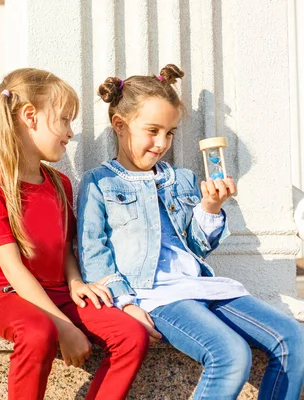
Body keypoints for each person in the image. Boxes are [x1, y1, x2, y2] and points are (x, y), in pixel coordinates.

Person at [77, 63, 304, 399]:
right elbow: (93, 253)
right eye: (152, 130)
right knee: (230, 354)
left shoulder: (180, 178)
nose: (161, 143)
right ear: (120, 125)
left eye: (169, 133)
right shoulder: (99, 183)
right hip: (156, 295)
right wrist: (125, 304)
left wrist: (210, 208)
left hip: (202, 285)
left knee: (294, 341)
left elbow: (197, 246)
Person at [0, 68, 149, 400]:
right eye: (63, 120)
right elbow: (13, 270)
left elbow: (64, 249)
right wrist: (64, 326)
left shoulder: (59, 185)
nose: (70, 132)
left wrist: (76, 282)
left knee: (131, 334)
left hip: (57, 291)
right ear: (30, 117)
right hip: (3, 296)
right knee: (38, 331)